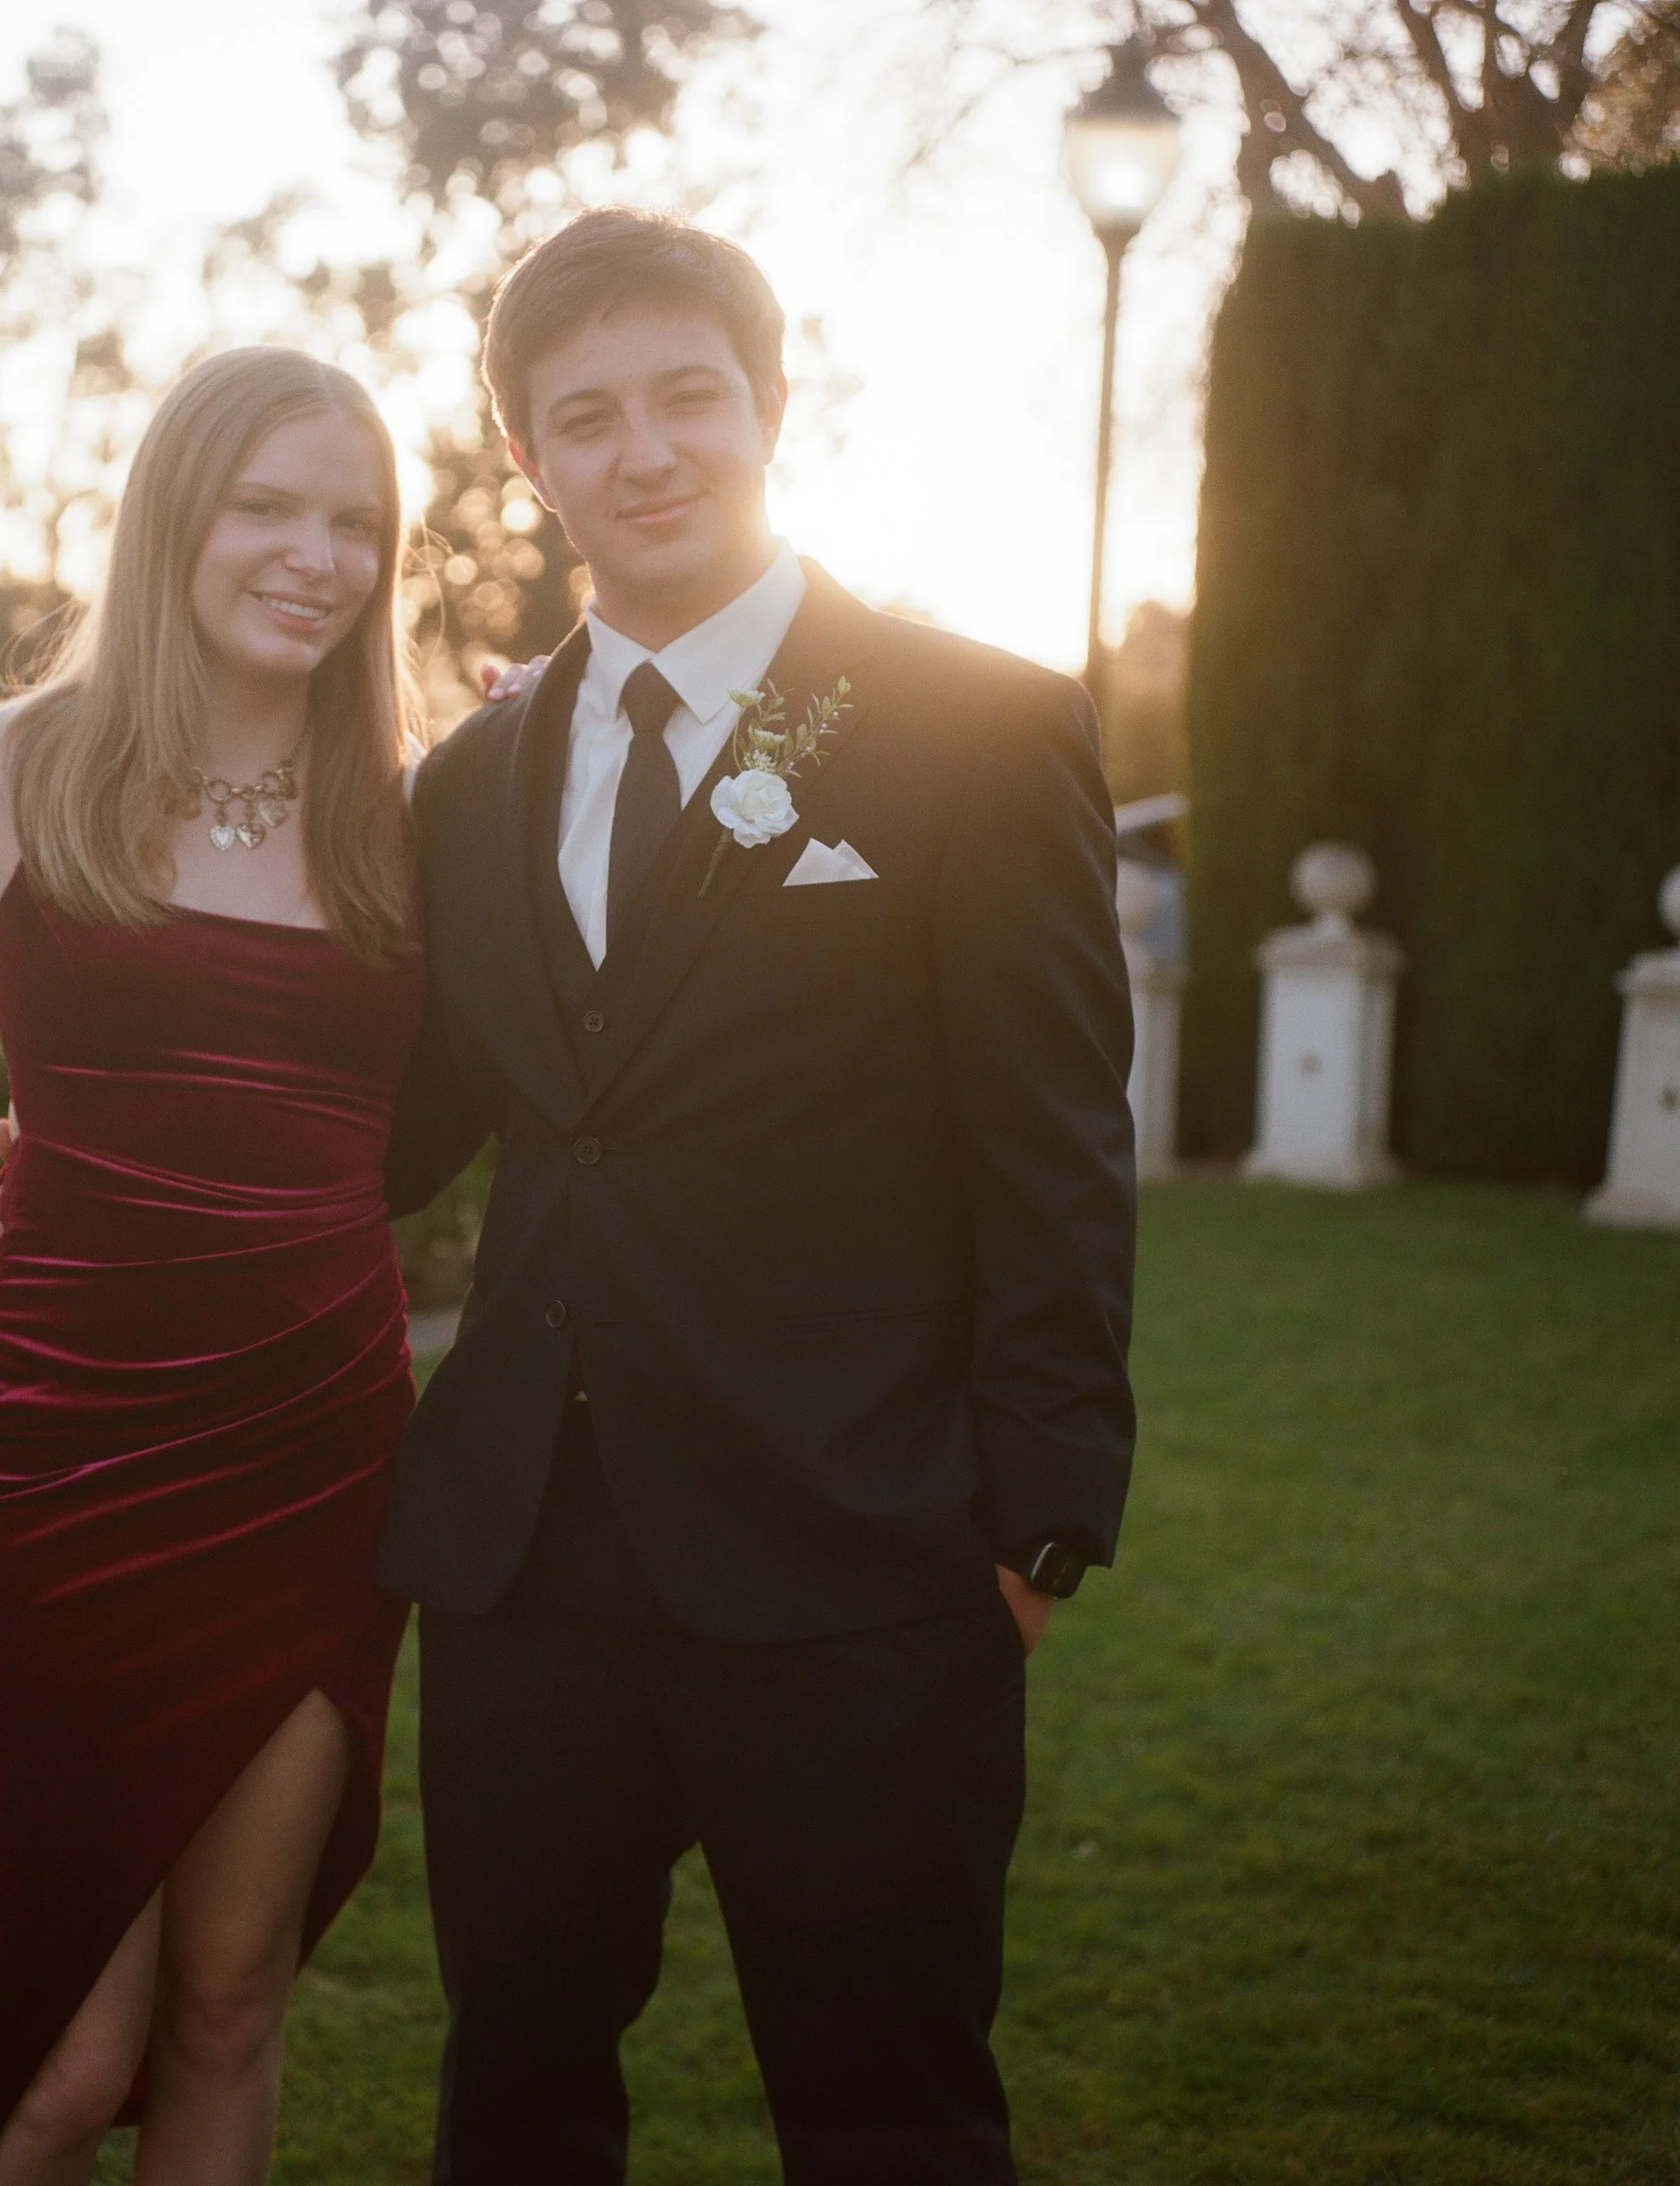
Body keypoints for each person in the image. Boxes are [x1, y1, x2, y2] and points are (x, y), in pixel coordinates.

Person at [382, 208, 1139, 2182]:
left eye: (685, 398)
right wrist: (126, 1153)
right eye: (585, 416)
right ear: (527, 460)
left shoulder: (962, 723)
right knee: (516, 2087)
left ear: (769, 407)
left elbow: (1050, 1139)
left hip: (858, 1562)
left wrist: (1034, 1521)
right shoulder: (469, 782)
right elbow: (407, 1120)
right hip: (522, 1569)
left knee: (883, 2106)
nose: (643, 450)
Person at [0, 347, 424, 2186]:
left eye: (353, 522)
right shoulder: (14, 764)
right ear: (173, 513)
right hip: (59, 1443)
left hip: (311, 1448)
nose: (312, 555)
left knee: (225, 1995)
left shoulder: (414, 814)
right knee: (61, 2053)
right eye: (266, 505)